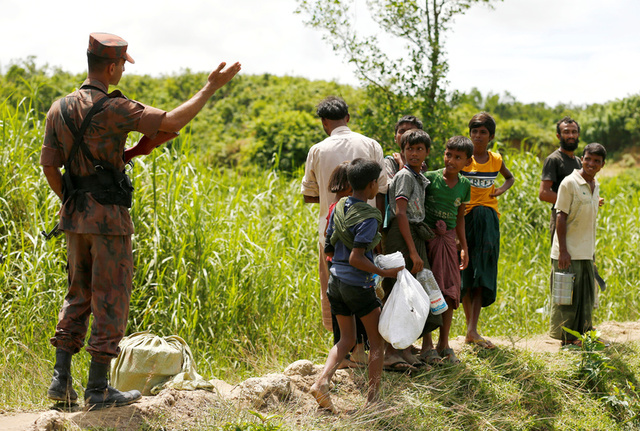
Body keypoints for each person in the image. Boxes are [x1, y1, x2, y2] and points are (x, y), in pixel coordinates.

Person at [40, 32, 240, 409]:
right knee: (111, 298)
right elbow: (173, 119)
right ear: (113, 66)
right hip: (110, 221)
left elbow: (50, 165)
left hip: (75, 218)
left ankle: (61, 381)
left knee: (77, 295)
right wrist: (210, 87)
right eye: (121, 66)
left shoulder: (58, 108)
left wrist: (73, 197)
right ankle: (98, 389)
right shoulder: (115, 107)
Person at [310, 159, 403, 413]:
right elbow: (357, 257)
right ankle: (373, 401)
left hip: (336, 282)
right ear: (373, 185)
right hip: (356, 285)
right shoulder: (369, 216)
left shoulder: (339, 206)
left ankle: (322, 381)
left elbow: (329, 246)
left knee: (347, 338)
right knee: (377, 341)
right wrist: (383, 271)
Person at [301, 96, 388, 334]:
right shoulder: (371, 145)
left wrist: (334, 199)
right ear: (347, 118)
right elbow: (382, 189)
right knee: (367, 285)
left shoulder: (317, 149)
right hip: (367, 231)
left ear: (324, 122)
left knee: (335, 286)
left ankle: (346, 346)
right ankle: (369, 341)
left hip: (330, 231)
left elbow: (308, 194)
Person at [382, 129, 440, 370]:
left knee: (411, 291)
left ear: (427, 152)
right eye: (409, 149)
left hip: (412, 234)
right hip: (402, 235)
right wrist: (413, 252)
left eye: (419, 149)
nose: (414, 153)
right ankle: (390, 352)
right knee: (399, 289)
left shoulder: (418, 176)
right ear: (402, 152)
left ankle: (404, 349)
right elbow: (402, 213)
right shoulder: (405, 176)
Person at [460, 113, 514, 350]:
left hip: (489, 220)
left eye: (483, 132)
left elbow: (510, 178)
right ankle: (468, 327)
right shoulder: (463, 159)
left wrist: (499, 190)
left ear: (491, 136)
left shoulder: (495, 160)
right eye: (474, 131)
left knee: (483, 273)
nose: (478, 136)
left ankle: (473, 329)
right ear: (469, 133)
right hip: (465, 219)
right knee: (465, 270)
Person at [420, 136, 473, 364]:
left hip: (449, 242)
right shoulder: (430, 179)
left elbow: (460, 217)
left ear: (467, 163)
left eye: (458, 157)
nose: (451, 160)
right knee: (427, 290)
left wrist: (463, 247)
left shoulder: (464, 185)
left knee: (449, 291)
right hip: (428, 240)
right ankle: (427, 344)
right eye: (448, 154)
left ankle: (444, 343)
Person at [549, 143, 606, 346]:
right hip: (568, 252)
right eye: (588, 159)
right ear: (582, 159)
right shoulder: (569, 183)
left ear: (602, 165)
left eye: (596, 161)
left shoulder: (594, 184)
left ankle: (581, 337)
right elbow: (561, 217)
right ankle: (566, 339)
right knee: (567, 299)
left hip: (585, 252)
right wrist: (563, 251)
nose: (591, 164)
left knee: (585, 297)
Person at [325, 162, 368, 369]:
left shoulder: (337, 204)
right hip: (344, 266)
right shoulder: (342, 206)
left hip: (336, 263)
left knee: (344, 311)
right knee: (349, 310)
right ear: (349, 184)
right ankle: (351, 354)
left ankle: (354, 352)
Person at [538, 116, 582, 240]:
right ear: (558, 136)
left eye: (574, 132)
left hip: (579, 218)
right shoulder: (553, 160)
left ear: (578, 135)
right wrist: (572, 203)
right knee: (561, 257)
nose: (571, 135)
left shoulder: (578, 161)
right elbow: (544, 193)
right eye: (566, 132)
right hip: (561, 217)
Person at [384, 115, 427, 180]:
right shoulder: (389, 163)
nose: (406, 134)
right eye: (402, 131)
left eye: (411, 131)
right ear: (395, 138)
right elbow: (393, 188)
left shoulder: (422, 165)